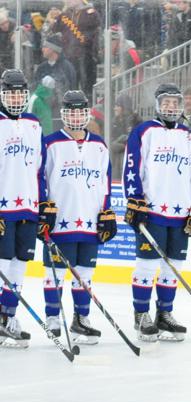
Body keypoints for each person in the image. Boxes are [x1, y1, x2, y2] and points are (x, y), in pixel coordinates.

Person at [123, 83, 191, 342]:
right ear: (158, 105)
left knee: (173, 267)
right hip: (152, 211)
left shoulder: (188, 136)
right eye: (166, 102)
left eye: (175, 102)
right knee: (147, 266)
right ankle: (141, 315)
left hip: (180, 213)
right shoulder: (144, 131)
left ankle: (164, 314)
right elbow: (132, 167)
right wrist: (135, 200)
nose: (171, 106)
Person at [39, 90, 113, 344]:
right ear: (63, 114)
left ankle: (81, 319)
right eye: (71, 111)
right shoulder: (50, 144)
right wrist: (42, 209)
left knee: (85, 274)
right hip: (60, 221)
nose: (76, 116)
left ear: (87, 113)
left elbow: (105, 183)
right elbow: (40, 179)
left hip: (90, 221)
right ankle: (53, 317)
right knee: (55, 273)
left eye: (80, 111)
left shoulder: (99, 146)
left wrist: (106, 212)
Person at [0, 69, 44, 347]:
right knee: (2, 264)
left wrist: (44, 205)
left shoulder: (33, 124)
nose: (16, 99)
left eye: (20, 94)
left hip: (28, 207)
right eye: (11, 94)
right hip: (3, 208)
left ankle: (8, 317)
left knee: (18, 266)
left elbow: (40, 168)